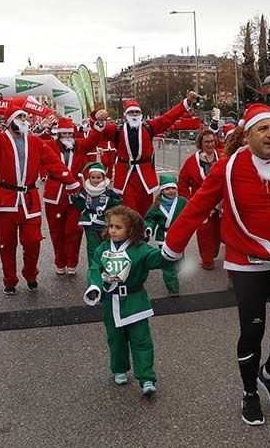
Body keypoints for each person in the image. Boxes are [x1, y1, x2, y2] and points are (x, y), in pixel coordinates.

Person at [161, 103, 270, 426]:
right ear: (247, 135)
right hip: (246, 263)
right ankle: (249, 391)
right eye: (263, 129)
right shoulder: (228, 168)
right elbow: (198, 206)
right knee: (252, 331)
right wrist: (172, 246)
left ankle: (269, 374)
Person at [0, 96, 80, 295]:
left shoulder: (34, 141)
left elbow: (54, 163)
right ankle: (10, 280)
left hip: (30, 201)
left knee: (33, 241)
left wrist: (72, 182)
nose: (25, 119)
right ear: (10, 121)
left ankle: (31, 274)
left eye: (25, 116)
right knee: (7, 244)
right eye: (20, 117)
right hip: (6, 200)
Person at [83, 205, 174, 396]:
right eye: (110, 226)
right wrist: (94, 287)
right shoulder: (102, 249)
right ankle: (119, 369)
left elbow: (156, 258)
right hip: (111, 303)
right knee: (115, 340)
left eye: (118, 227)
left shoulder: (140, 249)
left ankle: (146, 377)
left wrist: (169, 251)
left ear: (131, 230)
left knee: (142, 340)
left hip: (136, 302)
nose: (112, 230)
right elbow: (94, 269)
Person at [99, 91, 197, 216]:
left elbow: (168, 118)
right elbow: (98, 129)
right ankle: (131, 229)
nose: (134, 114)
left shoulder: (149, 126)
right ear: (126, 115)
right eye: (131, 112)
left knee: (145, 210)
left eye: (137, 112)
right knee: (129, 211)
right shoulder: (116, 129)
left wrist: (186, 103)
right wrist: (97, 117)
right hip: (125, 176)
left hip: (145, 176)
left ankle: (145, 228)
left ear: (141, 114)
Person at [43, 117, 101, 275]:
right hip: (55, 192)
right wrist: (42, 129)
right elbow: (34, 143)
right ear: (59, 134)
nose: (68, 136)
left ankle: (71, 262)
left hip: (76, 193)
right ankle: (60, 262)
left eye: (70, 133)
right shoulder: (50, 145)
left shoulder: (80, 145)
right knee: (56, 231)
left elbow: (93, 140)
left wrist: (99, 124)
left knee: (74, 230)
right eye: (64, 134)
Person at [177, 128, 223, 269]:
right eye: (206, 142)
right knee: (204, 233)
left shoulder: (222, 155)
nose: (210, 144)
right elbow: (182, 182)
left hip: (221, 203)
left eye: (212, 141)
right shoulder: (192, 161)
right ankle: (207, 261)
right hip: (202, 204)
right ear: (200, 144)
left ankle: (213, 251)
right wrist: (188, 200)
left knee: (219, 232)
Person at [70, 162, 124, 266]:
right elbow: (80, 206)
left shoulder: (108, 194)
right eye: (93, 177)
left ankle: (106, 268)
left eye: (98, 177)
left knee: (106, 247)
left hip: (105, 225)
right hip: (90, 225)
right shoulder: (84, 193)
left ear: (103, 178)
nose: (95, 180)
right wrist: (75, 198)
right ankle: (93, 269)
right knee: (92, 248)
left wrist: (116, 201)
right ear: (89, 178)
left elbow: (118, 208)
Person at [143, 174, 185, 296]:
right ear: (162, 190)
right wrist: (149, 228)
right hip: (163, 236)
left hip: (178, 235)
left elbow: (190, 213)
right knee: (168, 263)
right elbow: (150, 219)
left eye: (173, 188)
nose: (171, 191)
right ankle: (173, 288)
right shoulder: (156, 205)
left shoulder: (182, 202)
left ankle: (173, 273)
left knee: (179, 262)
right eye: (167, 189)